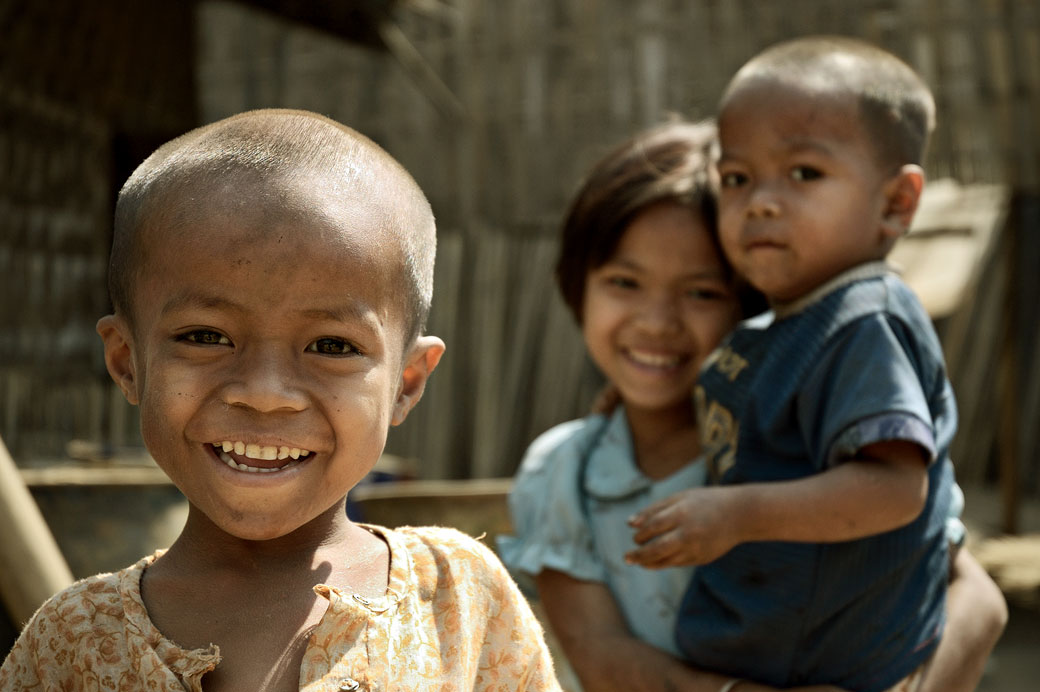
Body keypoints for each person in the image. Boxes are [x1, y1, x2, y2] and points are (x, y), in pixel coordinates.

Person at [0, 109, 561, 692]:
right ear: (127, 361)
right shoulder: (73, 640)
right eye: (206, 337)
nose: (265, 395)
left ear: (407, 382)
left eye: (331, 345)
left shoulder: (458, 597)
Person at [500, 119, 1006, 692]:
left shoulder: (820, 455)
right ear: (578, 284)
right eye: (624, 282)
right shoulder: (565, 472)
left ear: (756, 307)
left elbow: (978, 602)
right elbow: (602, 658)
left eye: (702, 293)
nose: (657, 323)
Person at [625, 38, 988, 691]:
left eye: (804, 174)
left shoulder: (862, 321)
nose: (760, 202)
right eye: (737, 179)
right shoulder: (776, 328)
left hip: (848, 670)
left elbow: (896, 488)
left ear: (897, 203)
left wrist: (736, 515)